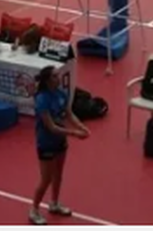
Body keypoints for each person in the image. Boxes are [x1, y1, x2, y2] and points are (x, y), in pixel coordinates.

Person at [30, 65, 89, 226]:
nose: (59, 78)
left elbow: (69, 114)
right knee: (46, 179)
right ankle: (34, 210)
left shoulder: (61, 94)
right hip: (46, 143)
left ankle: (54, 203)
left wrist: (81, 127)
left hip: (60, 142)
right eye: (55, 76)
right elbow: (51, 127)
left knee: (58, 175)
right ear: (48, 80)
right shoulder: (42, 99)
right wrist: (74, 134)